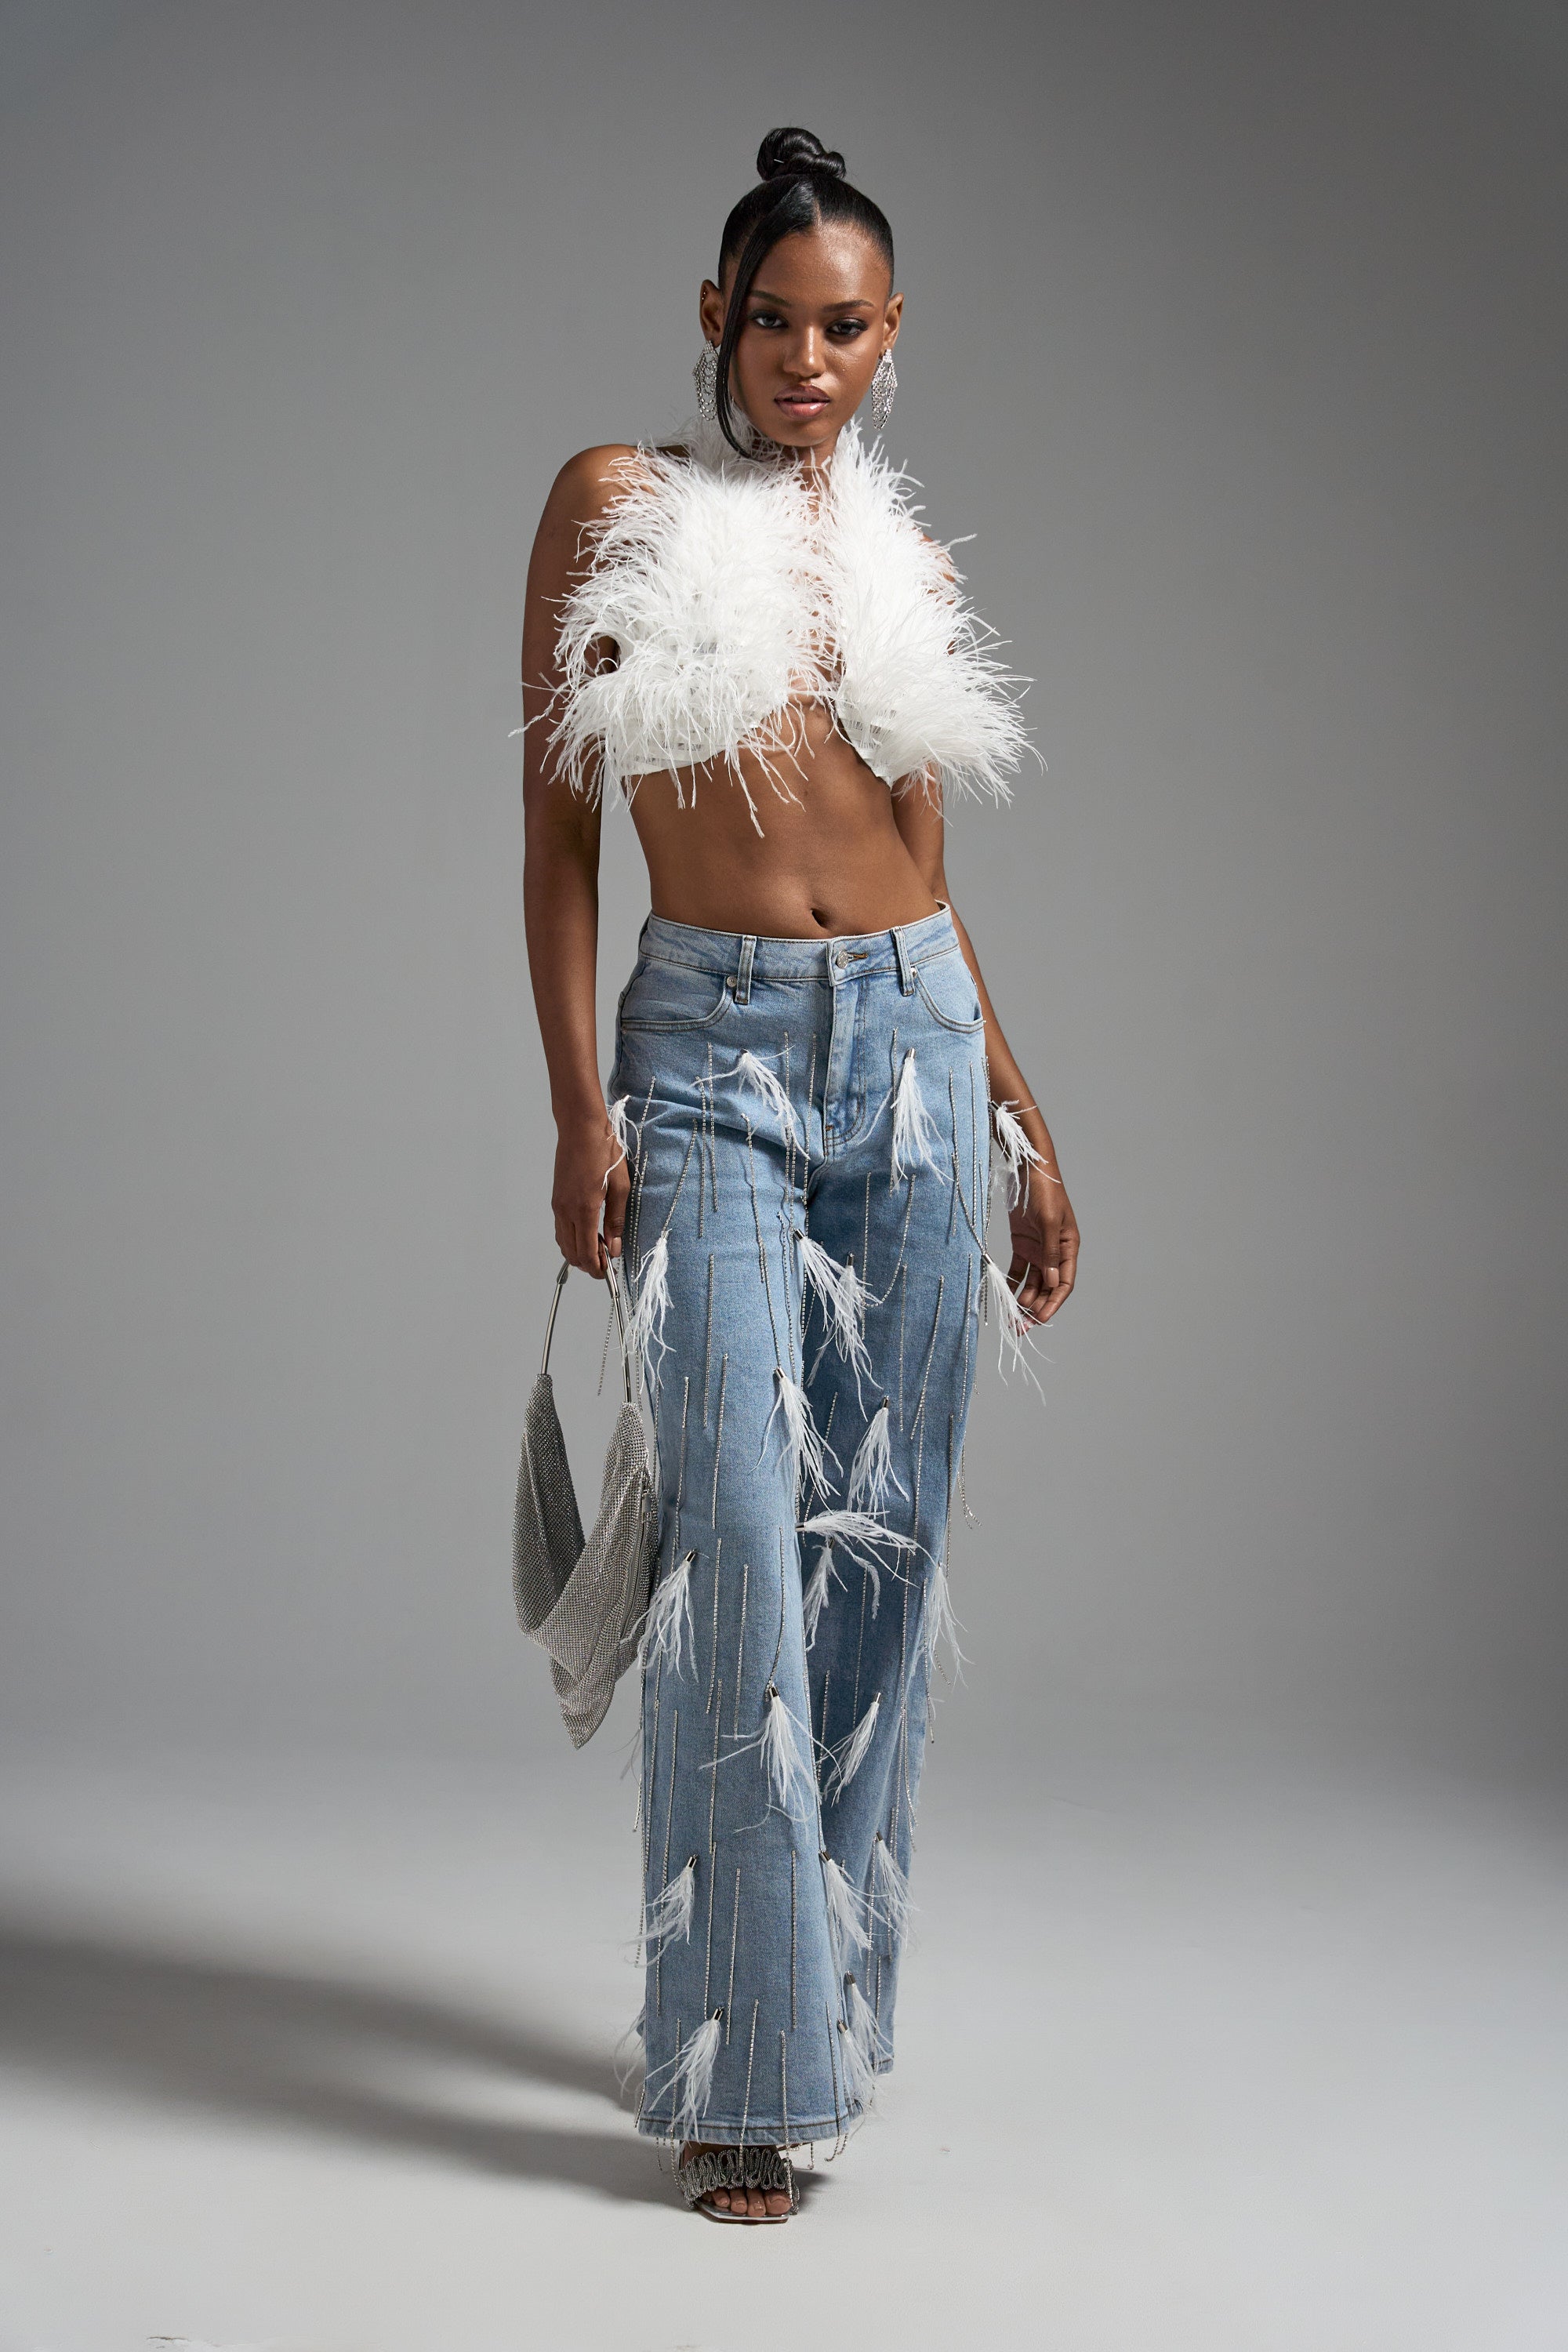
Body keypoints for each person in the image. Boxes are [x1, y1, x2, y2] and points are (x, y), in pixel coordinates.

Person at [520, 126, 1079, 2222]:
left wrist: (1020, 1117)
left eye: (845, 325)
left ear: (891, 336)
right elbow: (558, 841)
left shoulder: (903, 563)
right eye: (774, 317)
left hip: (917, 1054)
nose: (807, 356)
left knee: (883, 1553)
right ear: (715, 315)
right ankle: (746, 2072)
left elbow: (934, 877)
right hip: (715, 1062)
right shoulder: (618, 508)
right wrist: (578, 1107)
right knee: (737, 1543)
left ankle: (824, 1995)